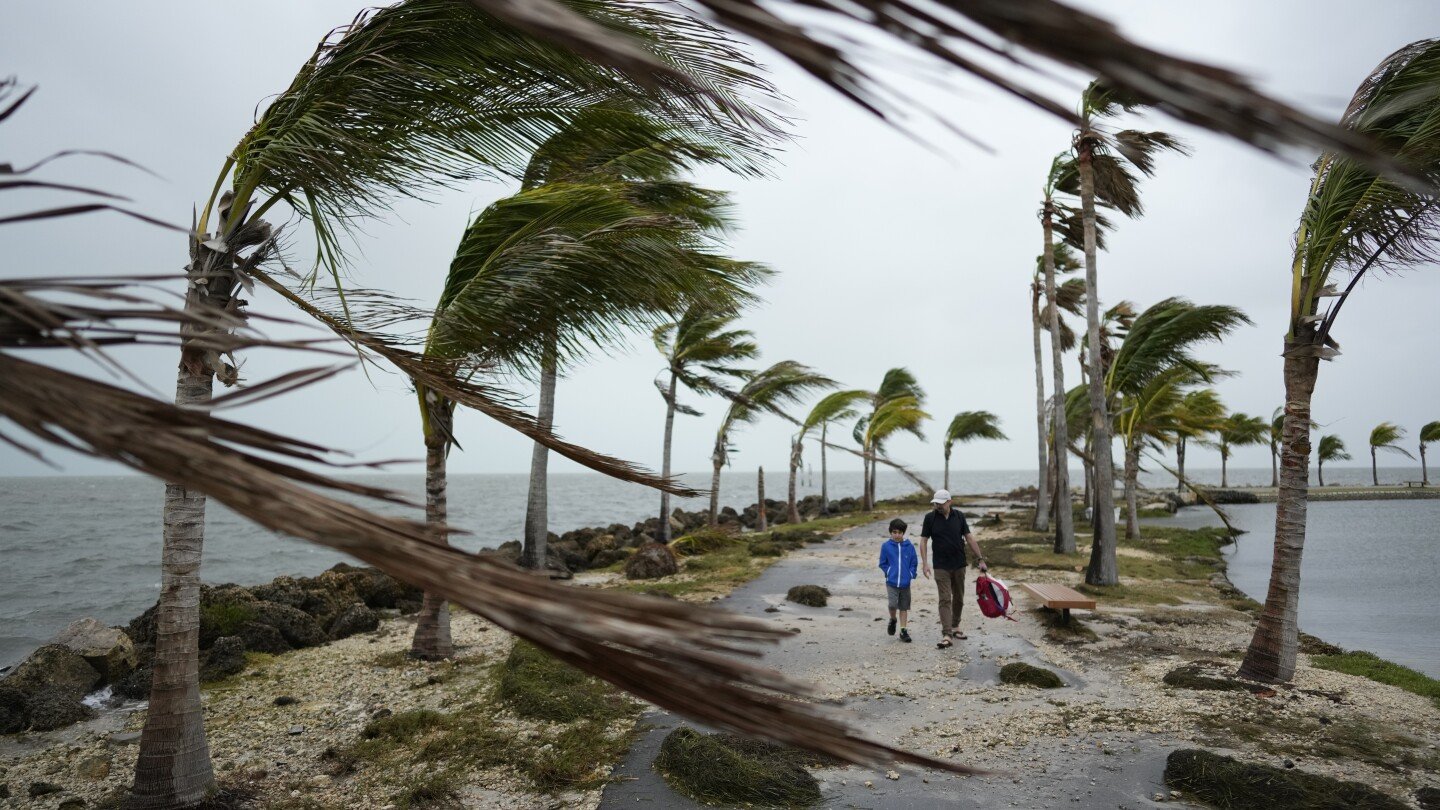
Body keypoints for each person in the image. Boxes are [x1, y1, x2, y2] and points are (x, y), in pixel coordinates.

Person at [918, 489, 987, 649]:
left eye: (941, 503)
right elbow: (923, 541)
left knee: (959, 598)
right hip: (940, 565)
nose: (938, 506)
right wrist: (925, 563)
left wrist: (980, 559)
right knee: (944, 599)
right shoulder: (930, 518)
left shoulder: (959, 516)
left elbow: (969, 537)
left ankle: (955, 626)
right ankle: (947, 634)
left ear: (950, 502)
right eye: (936, 503)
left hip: (959, 564)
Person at [878, 517, 918, 643]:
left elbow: (914, 562)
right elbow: (882, 563)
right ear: (891, 532)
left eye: (899, 533)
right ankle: (893, 619)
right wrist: (889, 572)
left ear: (903, 533)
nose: (897, 535)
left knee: (904, 607)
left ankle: (903, 631)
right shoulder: (886, 546)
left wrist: (911, 573)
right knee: (892, 604)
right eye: (894, 532)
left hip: (905, 583)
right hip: (891, 582)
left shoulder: (909, 546)